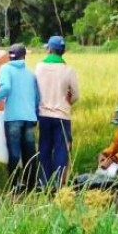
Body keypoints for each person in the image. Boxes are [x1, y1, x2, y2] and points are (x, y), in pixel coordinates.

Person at [0, 44, 40, 193]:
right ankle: (31, 185)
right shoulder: (31, 74)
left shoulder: (5, 69)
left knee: (14, 151)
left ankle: (15, 185)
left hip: (13, 118)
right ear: (24, 56)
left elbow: (6, 88)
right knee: (29, 151)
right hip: (29, 117)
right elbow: (37, 98)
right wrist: (34, 113)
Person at [35, 35, 79, 189]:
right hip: (62, 115)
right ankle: (58, 183)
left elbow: (36, 91)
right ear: (63, 51)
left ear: (49, 49)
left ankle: (43, 182)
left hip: (44, 114)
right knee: (61, 149)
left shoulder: (39, 67)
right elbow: (75, 95)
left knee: (44, 147)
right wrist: (68, 102)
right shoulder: (69, 70)